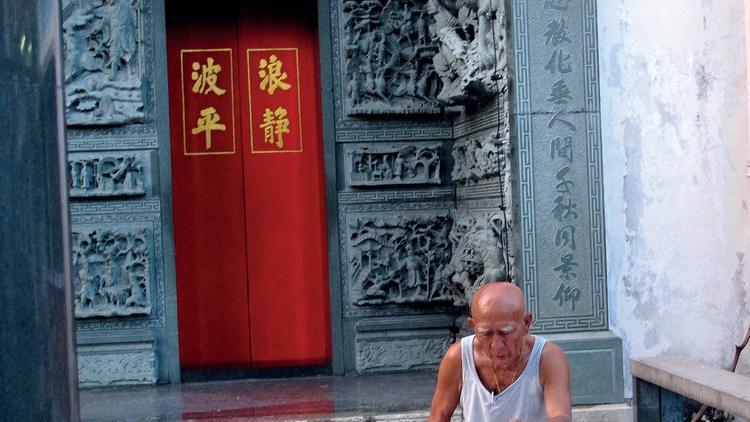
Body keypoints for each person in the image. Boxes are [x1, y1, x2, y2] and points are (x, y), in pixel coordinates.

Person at [428, 282, 572, 422]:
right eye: (486, 333)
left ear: (526, 323)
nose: (496, 346)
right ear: (473, 326)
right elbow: (439, 415)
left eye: (506, 332)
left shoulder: (548, 358)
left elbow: (561, 416)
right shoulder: (458, 357)